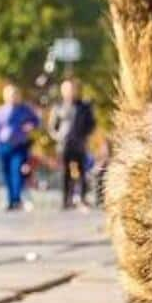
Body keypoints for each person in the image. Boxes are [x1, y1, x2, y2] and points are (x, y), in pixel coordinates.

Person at [48, 78, 97, 209]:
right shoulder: (58, 107)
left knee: (81, 171)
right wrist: (58, 136)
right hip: (64, 145)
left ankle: (82, 197)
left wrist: (85, 135)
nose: (69, 92)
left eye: (71, 89)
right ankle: (66, 200)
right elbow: (52, 127)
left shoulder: (84, 106)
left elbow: (92, 124)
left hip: (80, 144)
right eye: (66, 89)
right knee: (65, 172)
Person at [0, 84, 41, 210]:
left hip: (20, 145)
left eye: (15, 94)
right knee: (7, 173)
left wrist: (30, 125)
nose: (12, 97)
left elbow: (36, 121)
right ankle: (11, 199)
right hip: (4, 146)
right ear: (5, 96)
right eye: (10, 95)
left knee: (17, 171)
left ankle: (17, 199)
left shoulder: (25, 109)